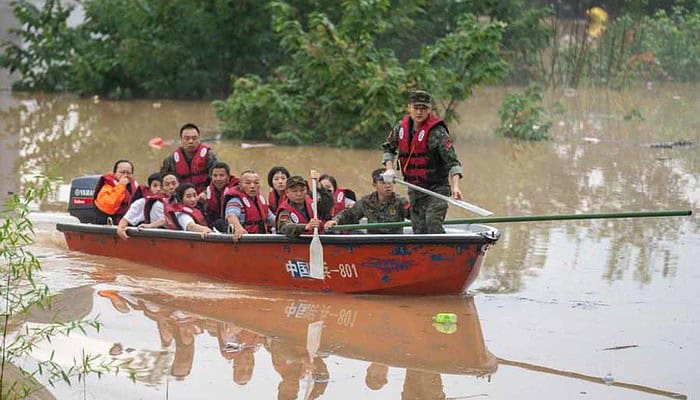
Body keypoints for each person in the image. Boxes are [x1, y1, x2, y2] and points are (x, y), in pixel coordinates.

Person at [382, 90, 463, 234]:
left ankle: (443, 254)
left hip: (437, 189)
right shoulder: (400, 128)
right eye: (416, 108)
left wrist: (456, 187)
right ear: (409, 108)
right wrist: (389, 168)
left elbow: (453, 163)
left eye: (423, 108)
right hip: (415, 189)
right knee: (419, 230)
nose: (419, 112)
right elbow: (388, 148)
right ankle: (424, 256)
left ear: (429, 109)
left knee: (432, 223)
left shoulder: (438, 132)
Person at [324, 168, 410, 234]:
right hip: (372, 242)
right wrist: (335, 221)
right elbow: (350, 214)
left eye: (390, 183)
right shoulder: (367, 201)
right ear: (374, 185)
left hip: (395, 243)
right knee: (355, 234)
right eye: (383, 183)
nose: (388, 186)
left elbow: (413, 214)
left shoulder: (400, 201)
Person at [116, 173, 179, 240]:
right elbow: (126, 219)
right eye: (155, 186)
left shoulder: (178, 200)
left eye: (161, 186)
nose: (158, 189)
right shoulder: (143, 202)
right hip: (157, 238)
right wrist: (121, 228)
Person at [160, 123, 217, 194]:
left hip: (204, 197)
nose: (190, 141)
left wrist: (206, 193)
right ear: (181, 140)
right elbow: (162, 182)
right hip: (180, 198)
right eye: (187, 139)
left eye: (194, 138)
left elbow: (217, 180)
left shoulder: (209, 156)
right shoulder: (171, 159)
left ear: (199, 139)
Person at [276, 172, 332, 238]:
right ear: (287, 193)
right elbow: (285, 227)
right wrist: (305, 227)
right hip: (297, 244)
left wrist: (319, 187)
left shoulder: (311, 201)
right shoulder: (285, 209)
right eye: (294, 191)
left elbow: (327, 206)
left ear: (306, 190)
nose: (299, 194)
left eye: (302, 190)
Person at [223, 170, 275, 240]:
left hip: (261, 240)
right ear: (240, 185)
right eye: (248, 183)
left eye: (256, 183)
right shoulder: (235, 201)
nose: (252, 186)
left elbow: (272, 219)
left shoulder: (260, 201)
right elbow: (231, 215)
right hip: (245, 240)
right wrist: (238, 228)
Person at [93, 159, 137, 225]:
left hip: (127, 223)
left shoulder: (134, 186)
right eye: (122, 172)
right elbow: (110, 206)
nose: (125, 175)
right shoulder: (107, 186)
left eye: (128, 173)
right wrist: (121, 185)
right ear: (114, 173)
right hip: (110, 224)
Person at [200, 162, 239, 230]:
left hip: (233, 225)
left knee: (219, 223)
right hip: (215, 225)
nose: (218, 179)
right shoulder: (208, 190)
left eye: (221, 175)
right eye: (215, 176)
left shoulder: (238, 189)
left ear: (228, 177)